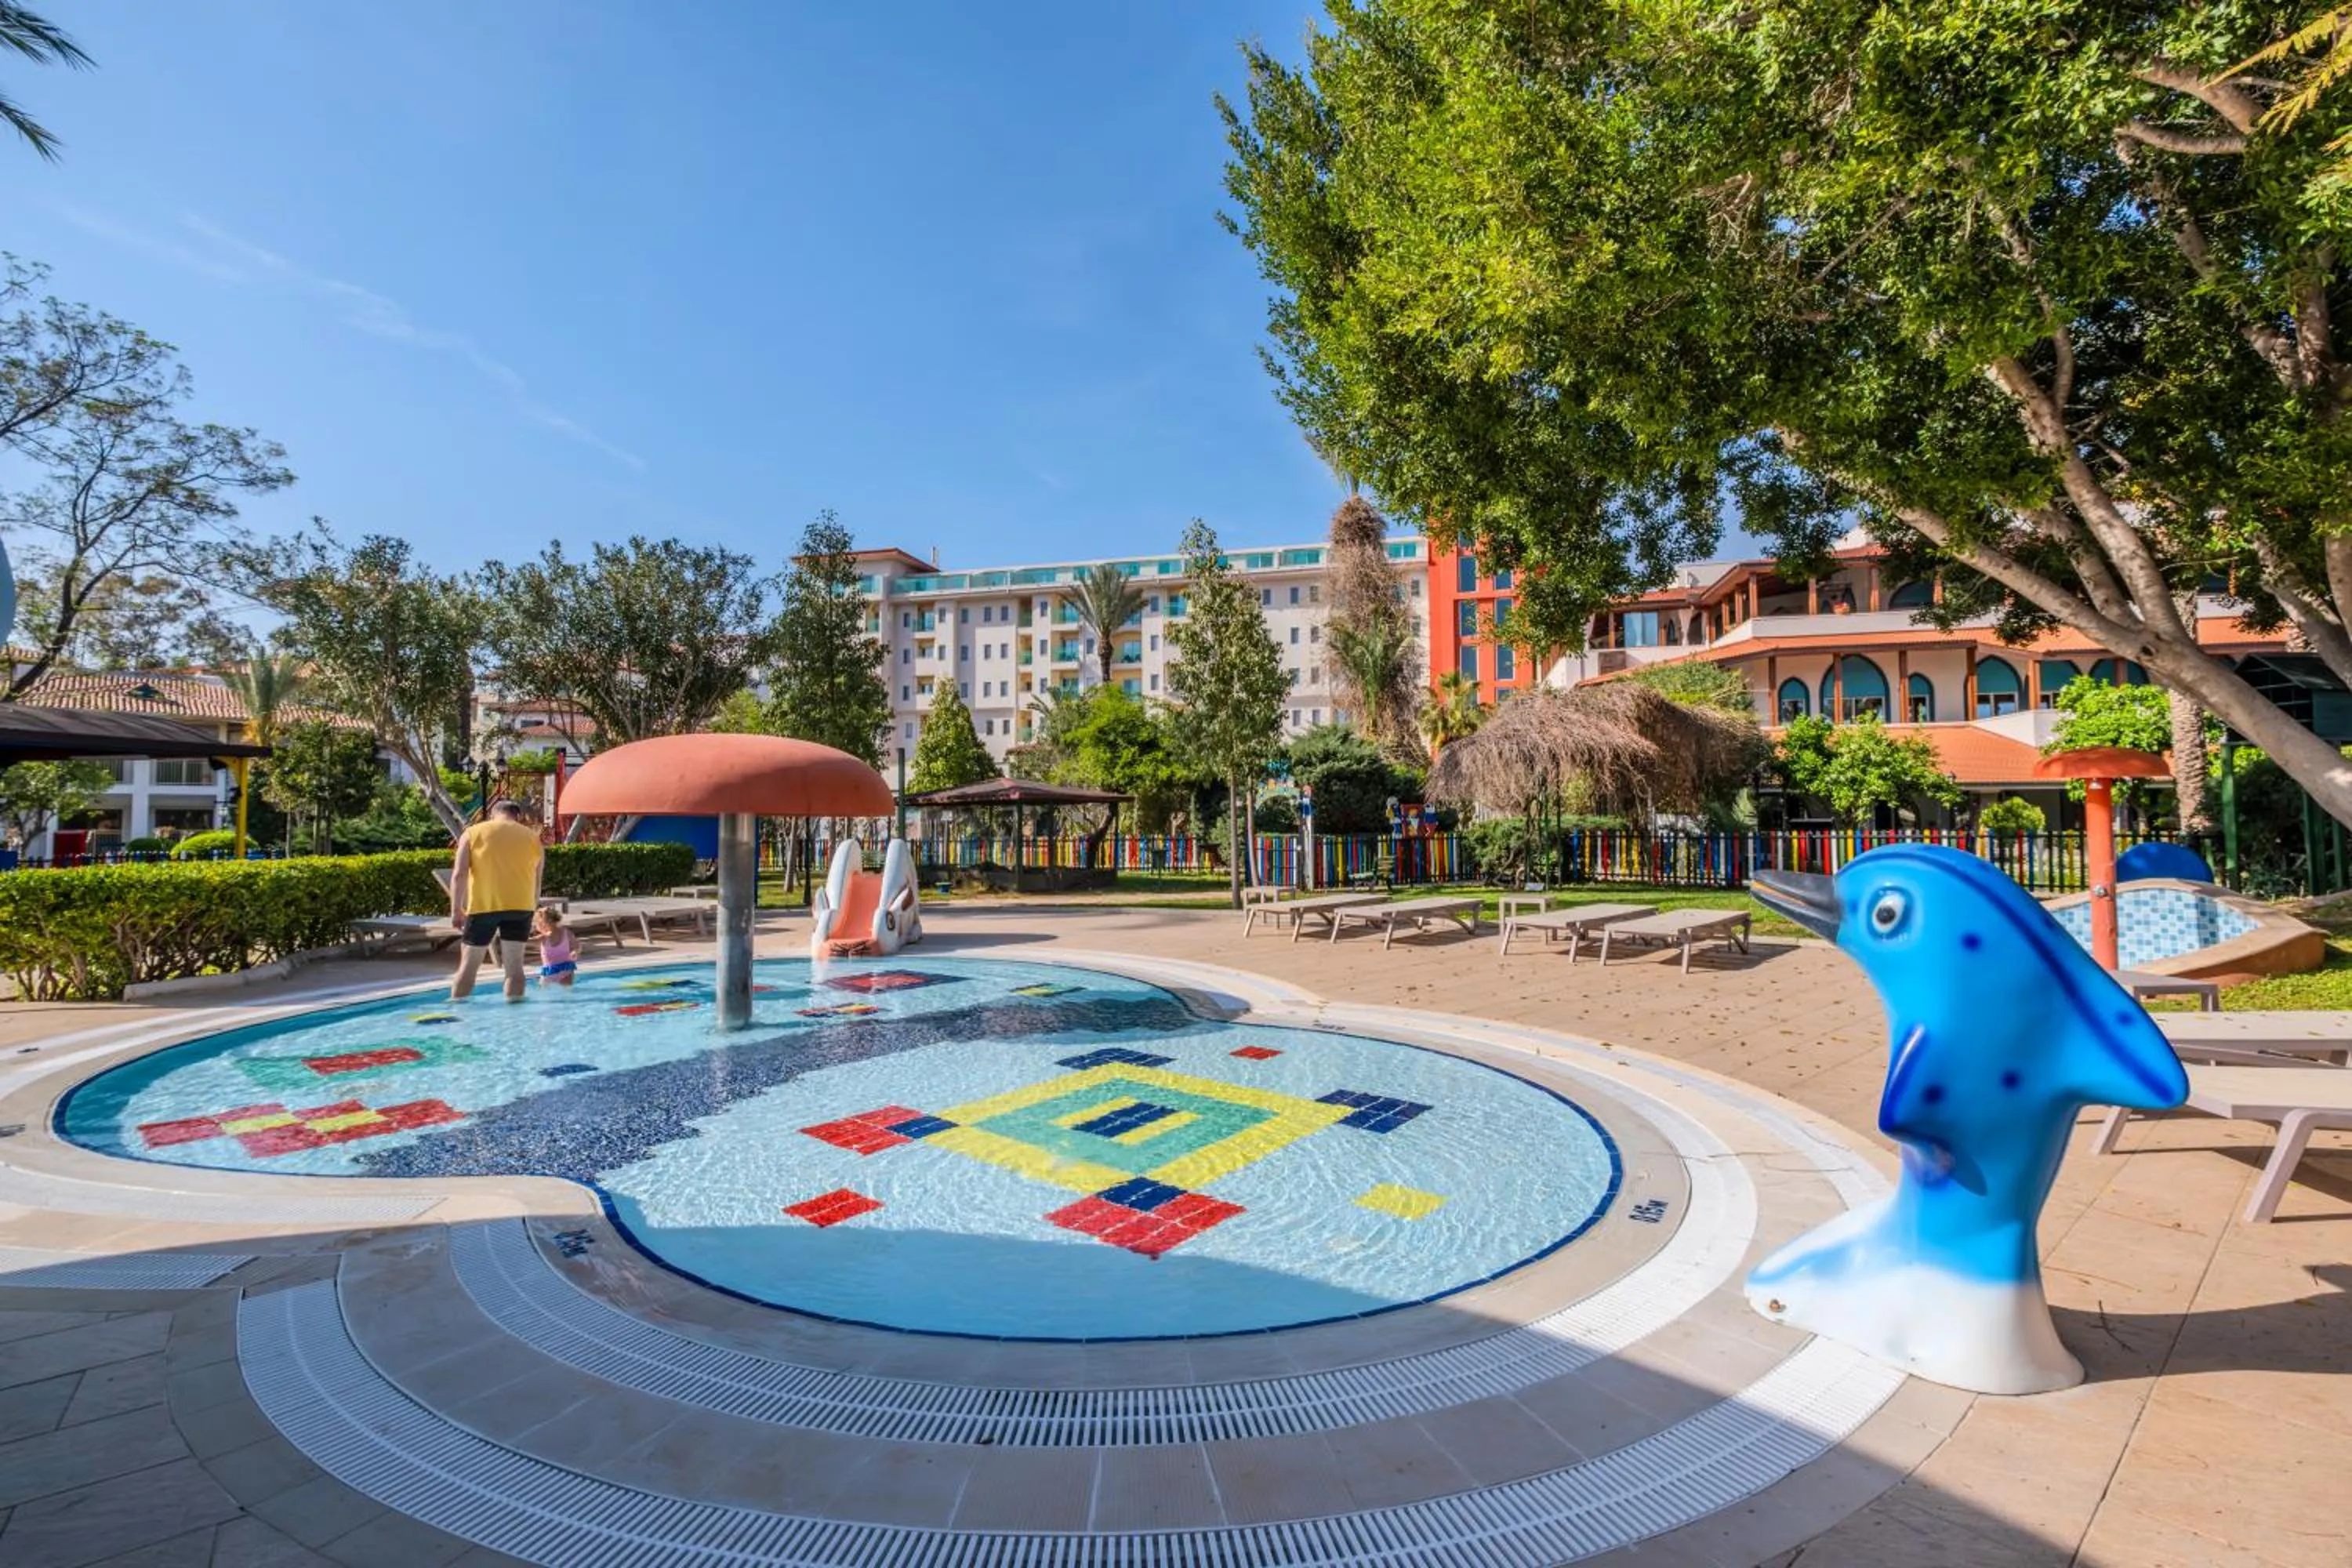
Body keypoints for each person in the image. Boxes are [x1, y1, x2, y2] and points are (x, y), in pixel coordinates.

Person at [449, 800, 545, 1000]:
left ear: (493, 814)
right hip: (521, 907)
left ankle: (457, 1010)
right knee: (515, 969)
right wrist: (532, 909)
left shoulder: (473, 833)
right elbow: (537, 880)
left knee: (468, 967)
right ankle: (514, 1011)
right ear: (517, 816)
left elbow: (459, 874)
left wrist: (456, 909)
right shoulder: (533, 838)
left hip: (484, 906)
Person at [533, 905, 578, 987]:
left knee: (545, 993)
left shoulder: (544, 937)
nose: (537, 928)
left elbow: (527, 942)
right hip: (566, 969)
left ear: (543, 924)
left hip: (550, 971)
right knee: (567, 992)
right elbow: (576, 946)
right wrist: (574, 952)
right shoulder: (567, 933)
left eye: (537, 924)